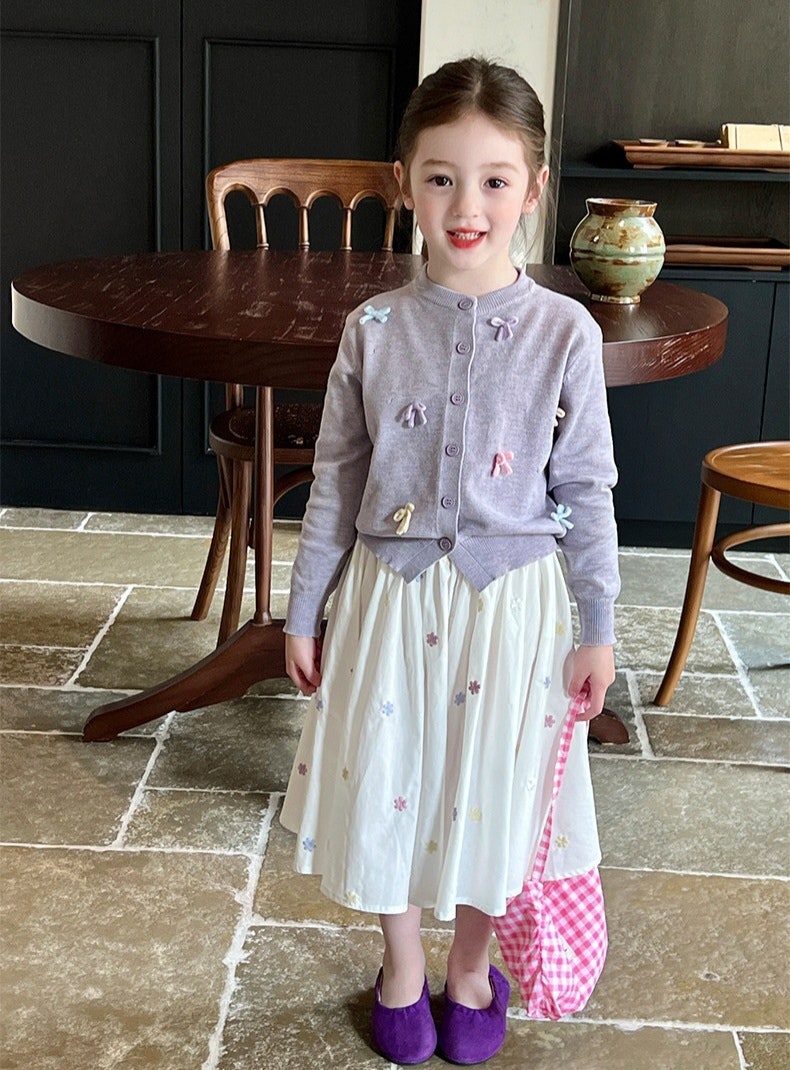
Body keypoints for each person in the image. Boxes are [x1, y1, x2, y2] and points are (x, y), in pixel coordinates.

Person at [280, 55, 619, 1066]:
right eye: (440, 177)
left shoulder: (565, 331)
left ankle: (470, 966)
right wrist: (304, 609)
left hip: (514, 610)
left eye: (493, 179)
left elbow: (587, 487)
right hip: (389, 599)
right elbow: (335, 480)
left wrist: (597, 627)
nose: (466, 206)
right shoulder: (373, 331)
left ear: (533, 189)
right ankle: (399, 964)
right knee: (388, 779)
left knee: (494, 792)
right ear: (404, 183)